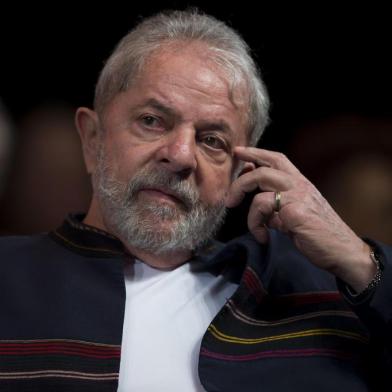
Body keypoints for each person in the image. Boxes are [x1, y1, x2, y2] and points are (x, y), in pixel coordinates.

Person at [0, 9, 390, 392]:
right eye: (152, 120)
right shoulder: (9, 277)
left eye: (212, 141)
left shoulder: (301, 296)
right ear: (92, 139)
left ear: (240, 174)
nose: (182, 155)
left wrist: (358, 259)